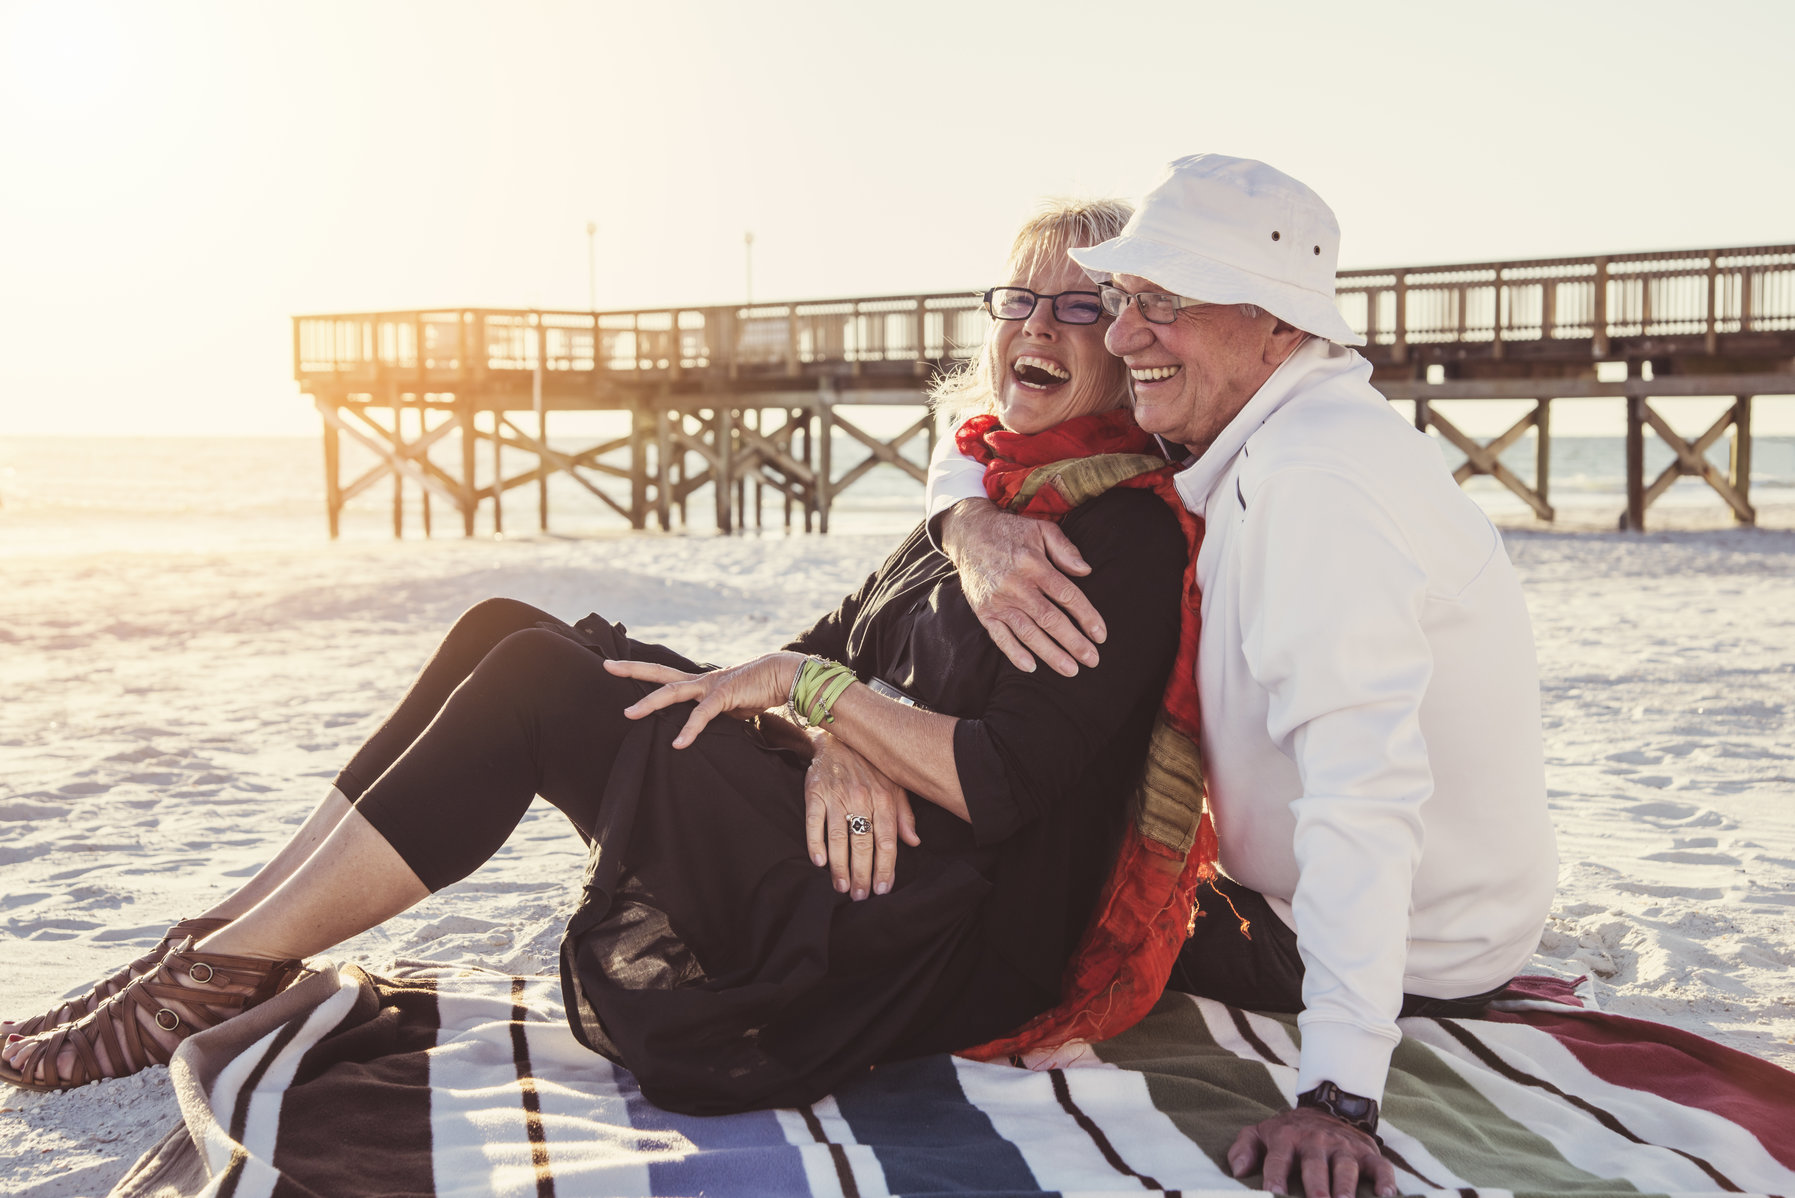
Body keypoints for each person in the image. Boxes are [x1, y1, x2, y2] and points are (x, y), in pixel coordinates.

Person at [2, 199, 1201, 1116]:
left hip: (913, 927)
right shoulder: (980, 504)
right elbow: (830, 642)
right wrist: (833, 724)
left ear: (1128, 343)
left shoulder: (1121, 537)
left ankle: (212, 974)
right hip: (860, 830)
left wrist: (818, 700)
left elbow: (1000, 779)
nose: (1037, 327)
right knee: (513, 626)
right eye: (1018, 301)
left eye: (1081, 306)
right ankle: (217, 943)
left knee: (538, 688)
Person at [925, 155, 1558, 1198]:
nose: (1123, 336)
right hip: (1389, 909)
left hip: (1387, 947)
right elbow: (980, 437)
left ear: (1275, 325)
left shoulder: (1313, 484)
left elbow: (1366, 792)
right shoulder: (1267, 426)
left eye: (1161, 305)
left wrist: (1339, 1097)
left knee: (1009, 913)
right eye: (1126, 302)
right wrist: (971, 522)